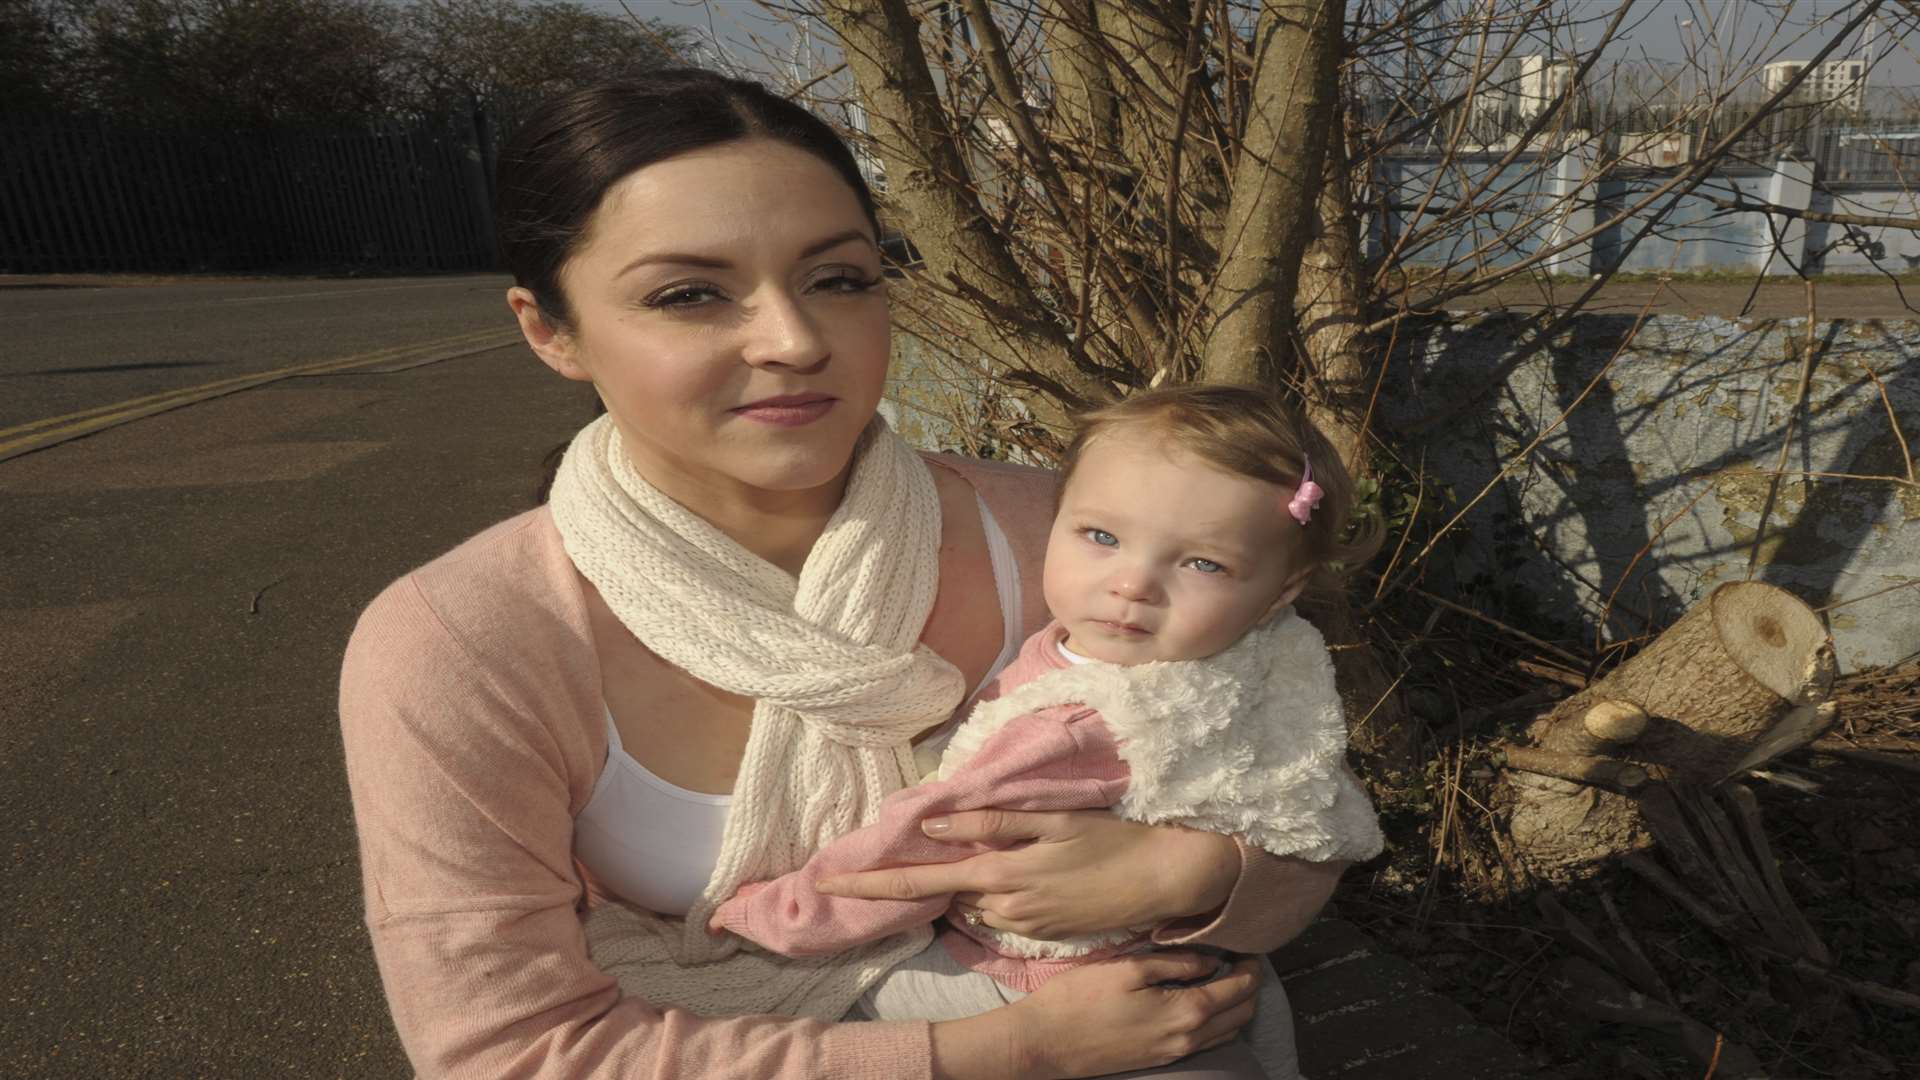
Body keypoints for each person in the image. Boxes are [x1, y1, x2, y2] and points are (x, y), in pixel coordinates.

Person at [338, 69, 1348, 1080]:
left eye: (839, 278)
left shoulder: (1079, 540)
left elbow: (1298, 798)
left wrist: (1198, 872)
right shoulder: (466, 644)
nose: (795, 340)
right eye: (689, 294)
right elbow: (505, 1052)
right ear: (549, 330)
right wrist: (1006, 1049)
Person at [701, 386, 1385, 1079]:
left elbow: (918, 846)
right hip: (1216, 960)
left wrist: (776, 915)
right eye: (1103, 537)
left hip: (1041, 980)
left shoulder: (1074, 722)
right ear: (1052, 520)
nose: (1132, 584)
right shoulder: (1276, 660)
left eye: (1202, 563)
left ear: (1281, 588)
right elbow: (1319, 805)